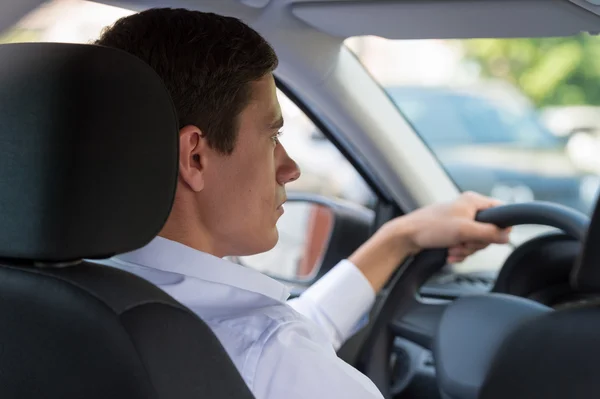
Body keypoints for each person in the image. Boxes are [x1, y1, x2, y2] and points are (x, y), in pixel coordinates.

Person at [93, 8, 511, 399]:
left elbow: (285, 337)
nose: (290, 167)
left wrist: (400, 237)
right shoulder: (272, 353)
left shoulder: (71, 292)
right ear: (195, 157)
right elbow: (272, 351)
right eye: (272, 136)